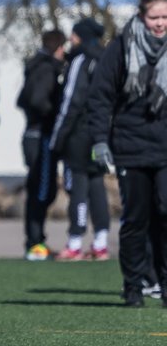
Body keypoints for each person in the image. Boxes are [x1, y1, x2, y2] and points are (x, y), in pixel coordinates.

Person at [87, 0, 167, 307]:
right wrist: (99, 142)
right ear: (141, 15)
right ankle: (133, 286)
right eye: (154, 17)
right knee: (136, 218)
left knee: (166, 212)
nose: (160, 23)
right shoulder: (121, 48)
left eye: (165, 17)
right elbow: (100, 97)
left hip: (165, 148)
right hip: (130, 145)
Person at [50, 18, 111, 261]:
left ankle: (74, 242)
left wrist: (57, 139)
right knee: (97, 185)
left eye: (73, 36)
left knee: (78, 186)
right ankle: (101, 243)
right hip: (101, 133)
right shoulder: (107, 59)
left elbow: (70, 102)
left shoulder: (80, 61)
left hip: (79, 134)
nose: (71, 40)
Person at [18, 28, 68, 260]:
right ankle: (35, 243)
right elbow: (37, 101)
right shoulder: (47, 69)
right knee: (42, 191)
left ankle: (36, 240)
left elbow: (22, 99)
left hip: (33, 134)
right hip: (41, 136)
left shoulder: (34, 67)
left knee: (40, 189)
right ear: (59, 48)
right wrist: (52, 116)